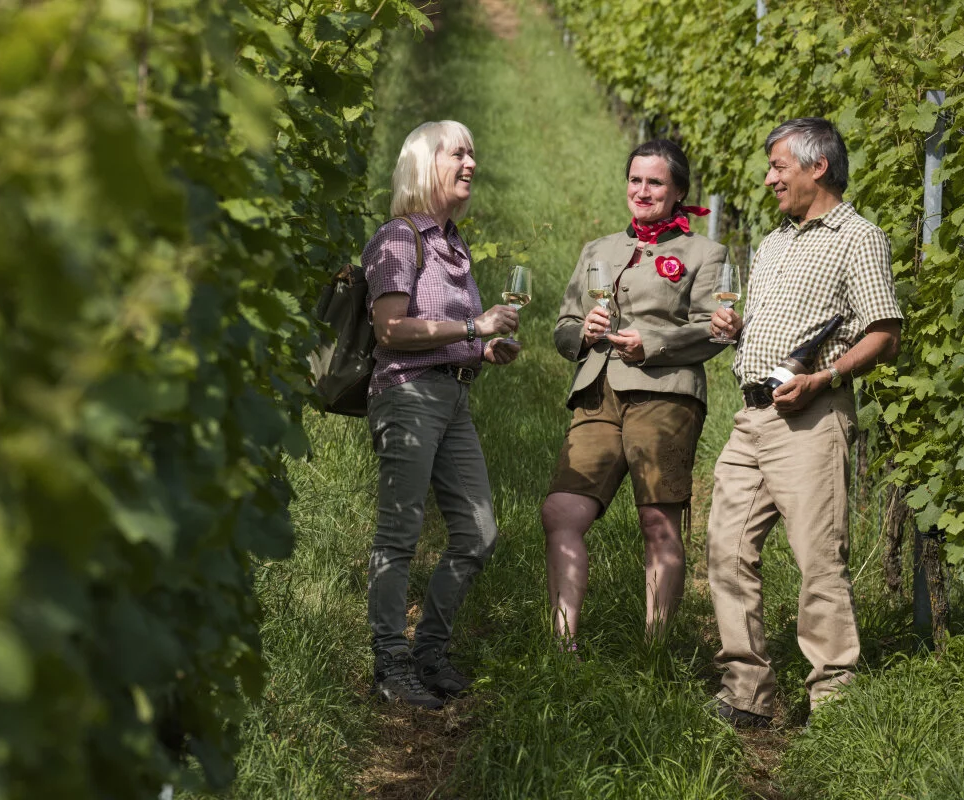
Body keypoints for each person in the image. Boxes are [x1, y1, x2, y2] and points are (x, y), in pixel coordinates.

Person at [707, 117, 903, 728]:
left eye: (778, 168)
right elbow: (772, 325)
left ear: (818, 167)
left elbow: (885, 332)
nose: (769, 179)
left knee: (819, 558)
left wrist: (826, 378)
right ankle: (747, 691)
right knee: (726, 549)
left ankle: (834, 705)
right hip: (751, 417)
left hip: (811, 418)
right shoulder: (773, 243)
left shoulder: (858, 238)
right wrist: (737, 331)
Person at [361, 120, 520, 710]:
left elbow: (443, 333)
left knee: (478, 534)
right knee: (399, 532)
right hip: (407, 394)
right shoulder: (400, 239)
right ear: (427, 164)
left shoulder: (453, 244)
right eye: (459, 152)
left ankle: (428, 649)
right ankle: (389, 661)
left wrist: (481, 348)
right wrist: (473, 326)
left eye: (474, 152)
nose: (471, 162)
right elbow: (391, 329)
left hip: (453, 396)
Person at [542, 139, 727, 645]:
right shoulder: (598, 250)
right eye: (635, 180)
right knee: (561, 511)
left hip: (665, 392)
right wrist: (582, 331)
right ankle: (563, 645)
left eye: (656, 182)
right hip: (598, 391)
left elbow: (716, 327)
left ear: (678, 192)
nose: (642, 191)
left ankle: (657, 648)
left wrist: (656, 343)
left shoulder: (704, 253)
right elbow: (563, 327)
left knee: (656, 520)